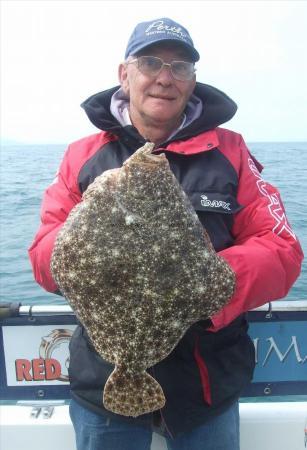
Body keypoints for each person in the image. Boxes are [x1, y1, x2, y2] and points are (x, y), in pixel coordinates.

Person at [29, 17, 303, 450]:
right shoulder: (83, 155)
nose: (164, 77)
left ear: (193, 80)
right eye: (151, 62)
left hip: (206, 388)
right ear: (125, 73)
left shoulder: (230, 151)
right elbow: (44, 257)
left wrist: (200, 282)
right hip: (103, 388)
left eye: (180, 67)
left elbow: (282, 249)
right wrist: (84, 248)